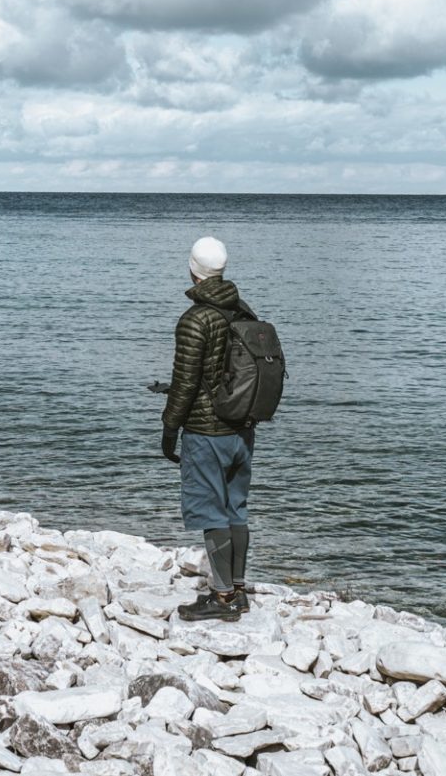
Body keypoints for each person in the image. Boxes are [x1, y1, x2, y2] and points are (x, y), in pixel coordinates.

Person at [161, 235, 257, 621]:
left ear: (192, 269)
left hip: (207, 433)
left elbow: (186, 383)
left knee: (212, 511)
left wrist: (170, 430)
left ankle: (221, 598)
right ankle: (237, 588)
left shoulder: (195, 319)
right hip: (243, 430)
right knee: (236, 508)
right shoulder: (244, 311)